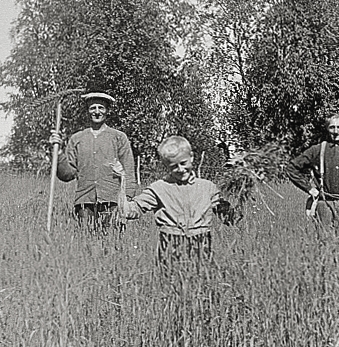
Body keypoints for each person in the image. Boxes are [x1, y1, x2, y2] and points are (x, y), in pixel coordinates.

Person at [111, 135, 235, 266]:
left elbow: (230, 217)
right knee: (171, 283)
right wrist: (122, 180)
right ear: (166, 165)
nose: (180, 170)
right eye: (174, 166)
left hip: (202, 245)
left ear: (191, 157)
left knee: (201, 283)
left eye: (183, 163)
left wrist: (244, 179)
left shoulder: (207, 187)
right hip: (170, 246)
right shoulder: (158, 188)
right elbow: (127, 211)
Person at [49, 92, 135, 233]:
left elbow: (129, 170)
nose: (96, 112)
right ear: (87, 111)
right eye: (92, 108)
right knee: (86, 245)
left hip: (112, 200)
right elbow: (67, 174)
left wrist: (128, 199)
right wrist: (58, 153)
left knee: (113, 245)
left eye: (101, 107)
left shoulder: (119, 137)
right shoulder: (77, 139)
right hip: (84, 202)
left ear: (107, 111)